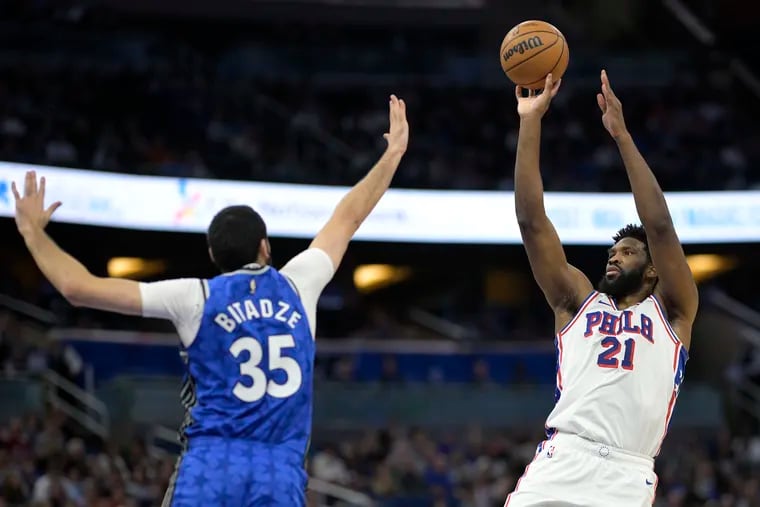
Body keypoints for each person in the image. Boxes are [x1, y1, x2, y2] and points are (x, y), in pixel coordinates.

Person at [12, 95, 409, 507]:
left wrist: (33, 234)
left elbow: (78, 288)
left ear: (214, 258)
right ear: (265, 247)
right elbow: (348, 217)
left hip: (210, 471)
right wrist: (393, 153)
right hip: (279, 474)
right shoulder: (300, 283)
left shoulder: (195, 295)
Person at [505, 71, 698, 507]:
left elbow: (661, 227)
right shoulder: (576, 301)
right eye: (613, 251)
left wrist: (622, 137)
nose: (614, 256)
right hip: (563, 458)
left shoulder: (673, 311)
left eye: (628, 252)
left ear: (652, 272)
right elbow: (531, 222)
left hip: (627, 474)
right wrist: (530, 120)